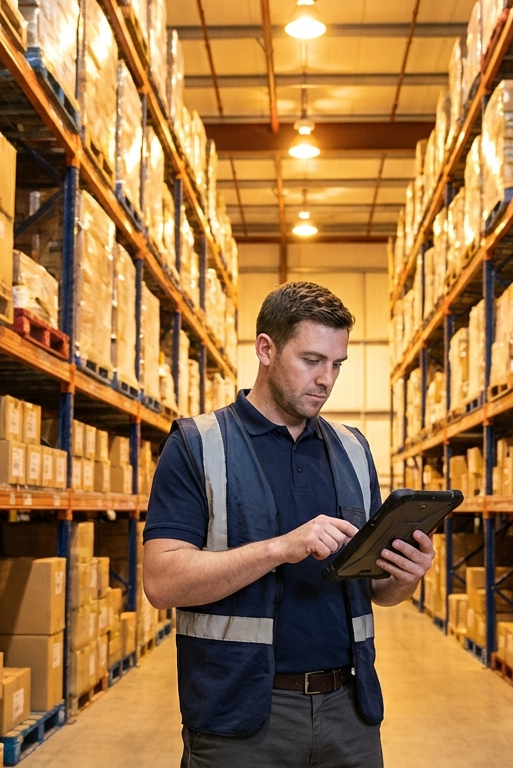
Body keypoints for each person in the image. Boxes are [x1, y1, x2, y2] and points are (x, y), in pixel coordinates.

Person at [143, 281, 435, 768]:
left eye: (337, 364)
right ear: (266, 349)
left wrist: (404, 576)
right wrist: (279, 548)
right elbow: (161, 581)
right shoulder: (199, 445)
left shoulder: (353, 450)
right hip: (240, 719)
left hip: (350, 712)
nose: (326, 379)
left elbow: (378, 593)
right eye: (312, 360)